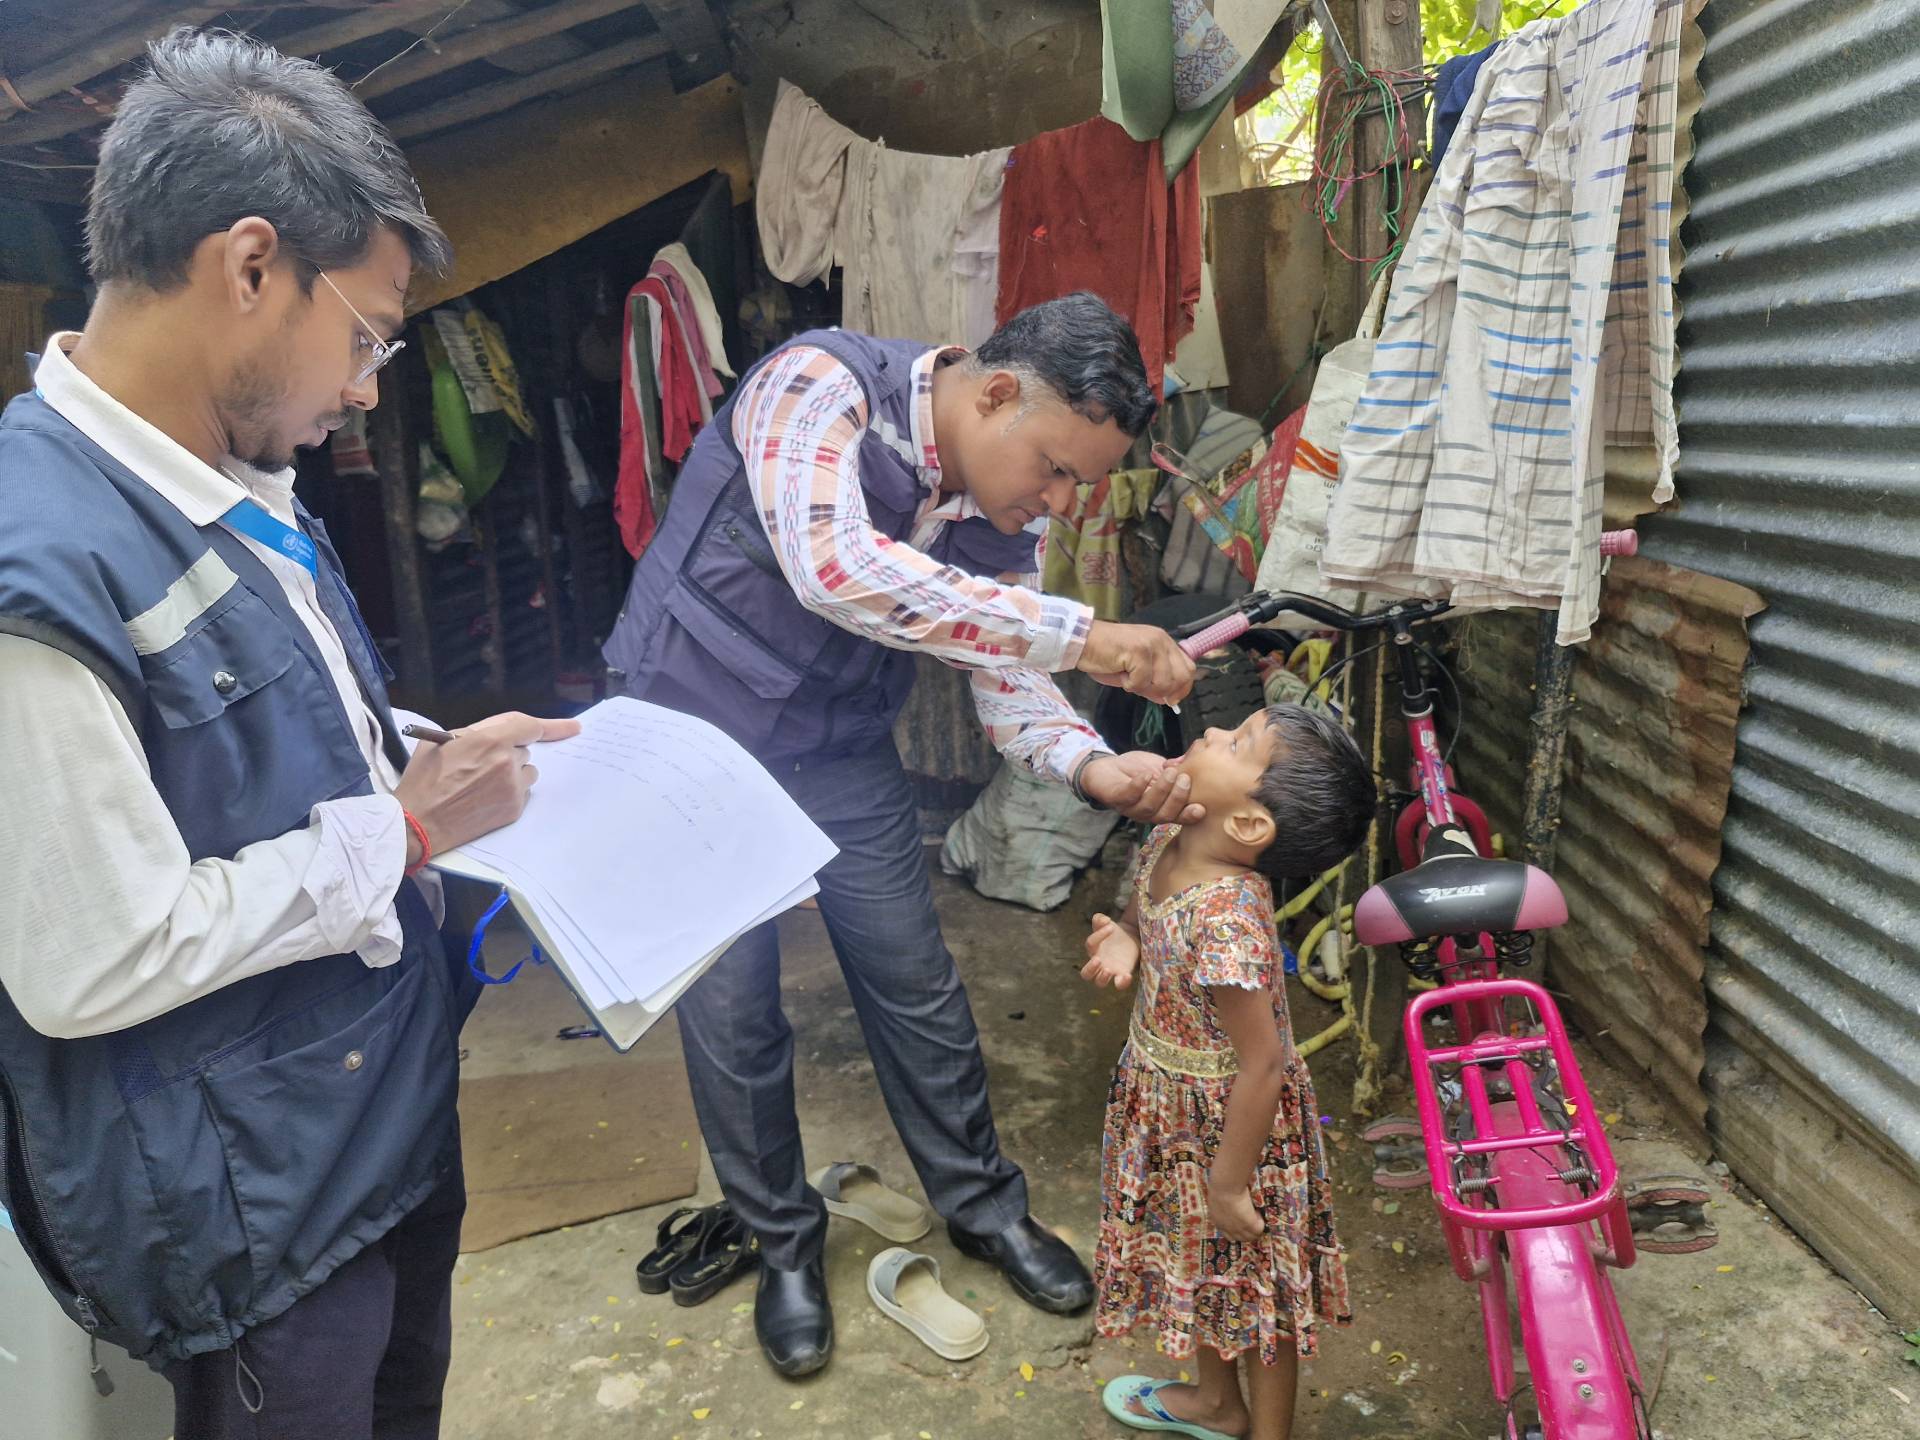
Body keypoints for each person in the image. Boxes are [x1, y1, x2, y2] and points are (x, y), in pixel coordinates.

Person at [0, 29, 577, 1439]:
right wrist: (413, 825)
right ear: (249, 267)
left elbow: (279, 715)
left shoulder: (233, 469)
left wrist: (413, 750)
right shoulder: (37, 572)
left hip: (369, 1114)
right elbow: (93, 956)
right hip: (252, 1210)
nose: (372, 385)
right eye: (368, 336)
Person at [602, 292, 1203, 1374]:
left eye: (1081, 484)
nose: (1060, 504)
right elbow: (836, 569)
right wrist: (1096, 638)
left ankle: (981, 1207)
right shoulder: (816, 387)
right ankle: (784, 1242)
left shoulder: (996, 518)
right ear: (998, 390)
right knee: (733, 1012)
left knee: (914, 985)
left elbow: (1007, 669)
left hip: (834, 748)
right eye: (1058, 470)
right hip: (690, 736)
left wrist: (1094, 765)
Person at [1083, 704, 1374, 1440]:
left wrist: (1229, 1180)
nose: (1212, 734)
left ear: (1248, 825)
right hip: (1165, 1105)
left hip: (1233, 1128)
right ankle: (1218, 1404)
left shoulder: (1226, 923)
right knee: (1203, 1269)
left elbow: (1265, 1060)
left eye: (1238, 743)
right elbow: (1141, 916)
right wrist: (1125, 941)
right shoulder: (1169, 837)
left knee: (1257, 1287)